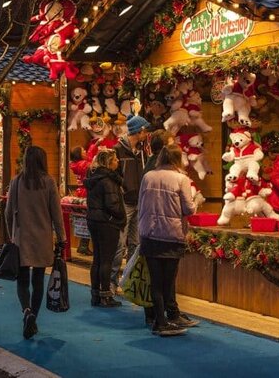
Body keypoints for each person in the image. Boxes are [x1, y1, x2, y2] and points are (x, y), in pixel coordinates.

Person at [4, 146, 66, 340]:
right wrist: (61, 238)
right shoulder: (48, 182)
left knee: (22, 281)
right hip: (42, 238)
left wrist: (11, 234)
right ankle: (34, 318)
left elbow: (8, 212)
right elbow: (56, 214)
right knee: (37, 281)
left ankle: (26, 311)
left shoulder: (16, 182)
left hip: (21, 238)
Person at [138, 145, 198, 336]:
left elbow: (141, 203)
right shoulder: (182, 179)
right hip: (171, 235)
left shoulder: (148, 176)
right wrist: (197, 201)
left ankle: (159, 320)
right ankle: (166, 320)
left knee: (155, 281)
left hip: (149, 232)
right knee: (168, 280)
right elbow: (189, 209)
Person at [111, 115, 151, 290]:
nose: (147, 133)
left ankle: (128, 281)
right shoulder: (118, 150)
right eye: (145, 130)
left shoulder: (143, 151)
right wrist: (122, 189)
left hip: (139, 202)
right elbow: (114, 175)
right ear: (139, 131)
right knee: (119, 243)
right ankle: (111, 281)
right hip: (125, 202)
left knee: (135, 243)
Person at [84, 149, 126, 308]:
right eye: (115, 160)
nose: (118, 162)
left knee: (98, 259)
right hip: (107, 223)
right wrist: (121, 217)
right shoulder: (109, 180)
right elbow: (112, 204)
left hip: (94, 220)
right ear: (109, 162)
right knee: (106, 260)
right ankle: (105, 295)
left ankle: (95, 294)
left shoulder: (93, 177)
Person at [69, 146, 92, 256]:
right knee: (87, 220)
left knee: (83, 220)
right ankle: (83, 245)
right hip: (86, 193)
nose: (85, 151)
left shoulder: (76, 165)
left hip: (80, 192)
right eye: (83, 151)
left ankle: (83, 245)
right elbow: (91, 164)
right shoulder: (83, 164)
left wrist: (94, 146)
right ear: (79, 154)